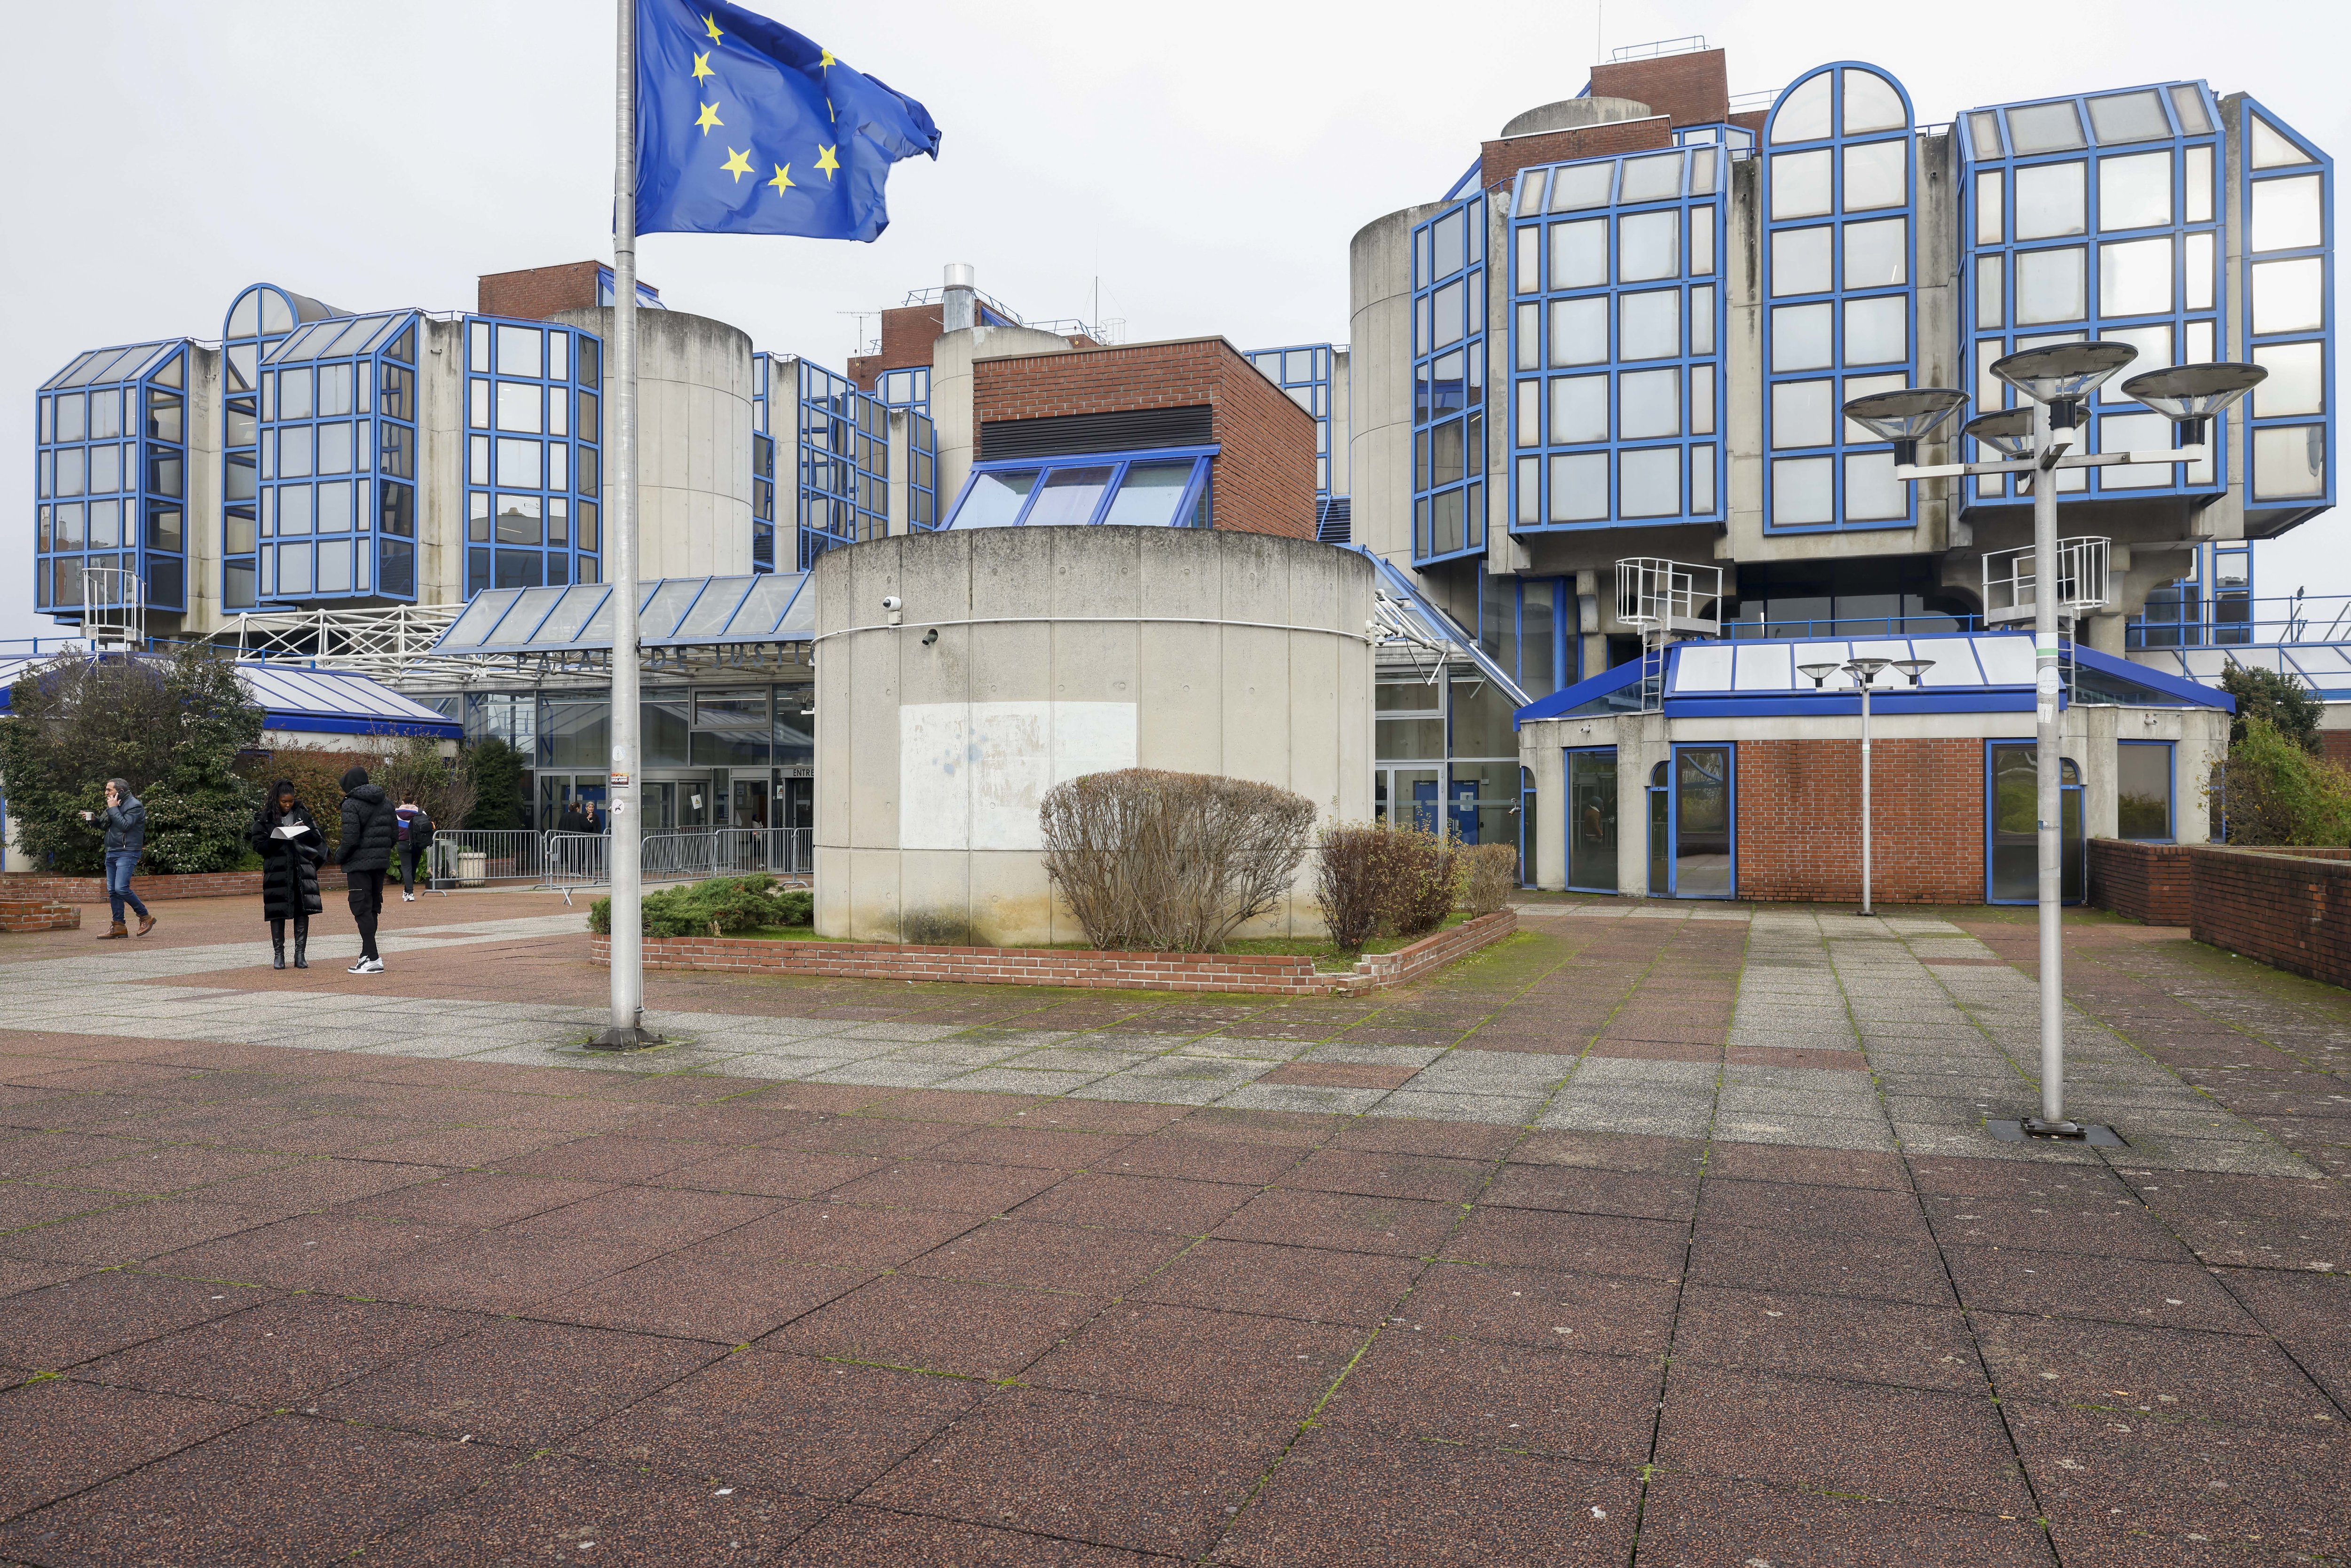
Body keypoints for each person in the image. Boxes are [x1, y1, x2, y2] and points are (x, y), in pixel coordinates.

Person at [249, 780, 323, 969]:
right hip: (278, 871)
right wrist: (276, 838)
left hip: (301, 870)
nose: (288, 805)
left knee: (302, 910)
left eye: (290, 801)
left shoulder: (302, 814)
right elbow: (258, 846)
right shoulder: (264, 819)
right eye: (284, 802)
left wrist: (303, 832)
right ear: (276, 800)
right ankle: (279, 955)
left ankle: (300, 955)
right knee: (277, 911)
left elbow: (317, 838)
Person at [336, 766, 397, 975]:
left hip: (359, 865)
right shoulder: (387, 802)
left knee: (361, 908)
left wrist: (339, 856)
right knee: (372, 907)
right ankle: (366, 954)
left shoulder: (350, 804)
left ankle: (373, 958)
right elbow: (394, 836)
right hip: (379, 864)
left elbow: (350, 839)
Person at [82, 778, 156, 939]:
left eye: (109, 790)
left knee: (121, 888)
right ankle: (118, 926)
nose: (106, 793)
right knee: (113, 891)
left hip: (128, 851)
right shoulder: (114, 804)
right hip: (112, 851)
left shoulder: (135, 805)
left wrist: (113, 808)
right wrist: (94, 820)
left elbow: (125, 826)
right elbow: (105, 825)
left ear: (120, 791)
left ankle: (145, 917)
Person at [394, 799, 435, 902]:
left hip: (403, 843)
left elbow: (393, 828)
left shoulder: (396, 813)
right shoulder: (421, 813)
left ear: (403, 801)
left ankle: (410, 893)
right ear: (414, 801)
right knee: (413, 869)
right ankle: (407, 892)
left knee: (406, 868)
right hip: (417, 844)